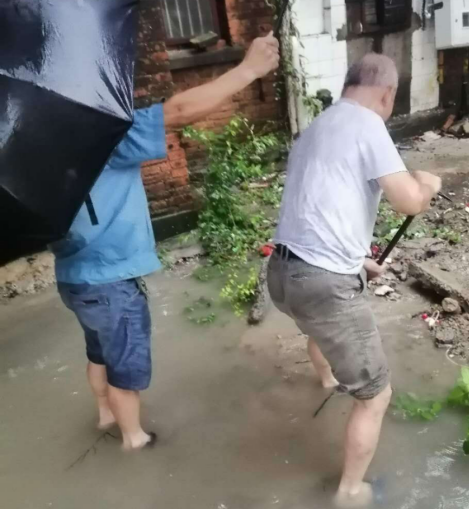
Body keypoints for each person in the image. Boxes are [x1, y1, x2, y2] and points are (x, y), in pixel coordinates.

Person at [51, 32, 280, 451]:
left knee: (98, 352)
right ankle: (134, 440)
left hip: (73, 278)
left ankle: (105, 415)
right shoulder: (100, 134)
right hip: (112, 282)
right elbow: (177, 111)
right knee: (124, 368)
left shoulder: (40, 144)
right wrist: (249, 69)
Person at [267, 53, 442, 507]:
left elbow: (318, 206)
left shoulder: (317, 128)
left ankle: (326, 382)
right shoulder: (368, 124)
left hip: (283, 272)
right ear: (387, 94)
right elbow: (409, 202)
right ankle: (350, 491)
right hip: (321, 284)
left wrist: (357, 260)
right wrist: (427, 183)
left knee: (317, 328)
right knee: (376, 395)